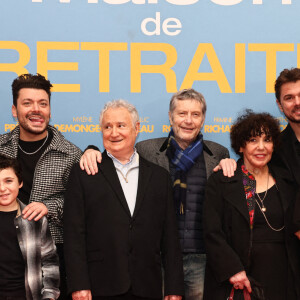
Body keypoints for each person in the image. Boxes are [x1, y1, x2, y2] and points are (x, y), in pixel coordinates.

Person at [80, 89, 231, 300]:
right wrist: (90, 149)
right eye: (181, 114)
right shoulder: (147, 149)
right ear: (170, 117)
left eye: (195, 114)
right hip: (155, 259)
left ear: (203, 119)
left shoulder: (218, 153)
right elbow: (117, 153)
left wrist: (230, 163)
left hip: (200, 257)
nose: (188, 120)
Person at [64, 99, 184, 300]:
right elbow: (73, 234)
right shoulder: (84, 173)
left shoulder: (159, 176)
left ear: (136, 128)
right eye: (107, 126)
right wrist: (78, 285)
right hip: (99, 287)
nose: (114, 132)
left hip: (147, 287)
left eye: (121, 125)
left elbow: (170, 237)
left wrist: (174, 288)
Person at [0, 74, 83, 299]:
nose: (36, 109)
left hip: (54, 255)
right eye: (27, 103)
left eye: (43, 103)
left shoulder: (71, 154)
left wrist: (49, 207)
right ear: (14, 110)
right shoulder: (0, 147)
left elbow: (83, 206)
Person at [203, 110, 300, 300]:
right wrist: (233, 270)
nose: (261, 147)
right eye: (253, 140)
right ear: (241, 146)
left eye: (267, 140)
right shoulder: (222, 181)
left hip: (284, 278)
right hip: (241, 278)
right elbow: (211, 232)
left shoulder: (288, 181)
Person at [0, 154, 60, 300]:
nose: (2, 188)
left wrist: (49, 296)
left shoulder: (35, 219)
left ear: (20, 182)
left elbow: (50, 263)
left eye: (8, 181)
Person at [273, 68, 300, 186]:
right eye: (289, 98)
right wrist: (227, 164)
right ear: (280, 105)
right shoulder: (274, 148)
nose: (297, 102)